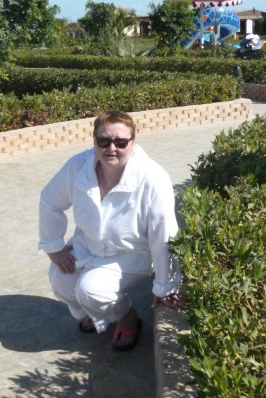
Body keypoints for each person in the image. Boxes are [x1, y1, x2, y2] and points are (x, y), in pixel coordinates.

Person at [38, 110, 186, 351]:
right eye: (103, 141)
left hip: (131, 253)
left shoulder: (153, 178)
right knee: (60, 279)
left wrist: (166, 285)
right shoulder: (78, 166)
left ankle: (126, 316)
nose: (112, 148)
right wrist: (53, 246)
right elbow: (50, 201)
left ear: (133, 142)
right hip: (87, 244)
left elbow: (164, 232)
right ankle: (96, 312)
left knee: (91, 290)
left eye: (121, 142)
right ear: (94, 141)